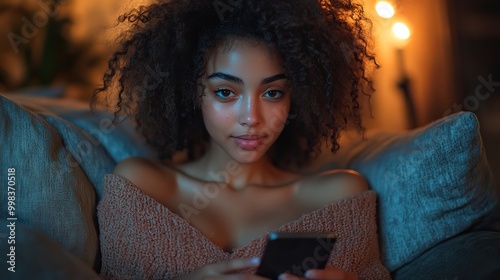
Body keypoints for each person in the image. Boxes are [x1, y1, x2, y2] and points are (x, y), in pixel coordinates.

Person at [92, 0, 390, 279]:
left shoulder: (338, 197)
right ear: (192, 93)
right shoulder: (141, 187)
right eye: (225, 92)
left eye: (273, 93)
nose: (251, 117)